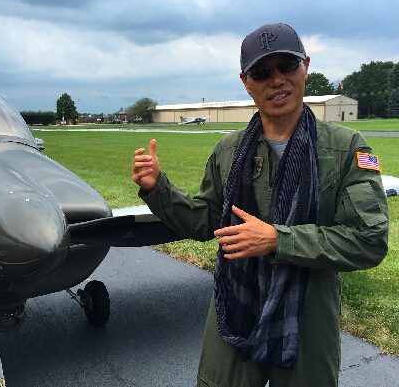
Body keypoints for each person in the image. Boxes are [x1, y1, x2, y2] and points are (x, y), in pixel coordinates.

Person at [132, 23, 388, 387]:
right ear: (246, 82)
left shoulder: (348, 149)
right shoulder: (228, 151)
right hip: (236, 303)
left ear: (306, 66)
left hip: (308, 313)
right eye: (262, 72)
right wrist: (158, 188)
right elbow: (206, 222)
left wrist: (278, 241)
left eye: (287, 66)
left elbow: (369, 240)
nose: (277, 80)